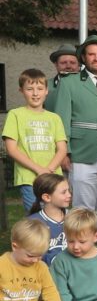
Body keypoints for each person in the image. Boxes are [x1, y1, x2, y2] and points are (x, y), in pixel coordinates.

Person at [53, 35, 97, 244]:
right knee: (82, 207)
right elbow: (62, 118)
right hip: (81, 153)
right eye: (92, 54)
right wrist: (65, 151)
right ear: (84, 57)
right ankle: (82, 246)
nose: (96, 58)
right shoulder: (70, 82)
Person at [2, 68, 68, 212]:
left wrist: (49, 170)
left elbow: (62, 149)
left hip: (54, 178)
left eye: (39, 88)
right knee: (36, 221)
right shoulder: (15, 115)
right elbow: (12, 149)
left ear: (46, 91)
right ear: (21, 91)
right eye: (30, 89)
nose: (35, 93)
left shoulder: (54, 118)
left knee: (60, 218)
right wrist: (38, 169)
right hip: (29, 179)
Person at [0, 219, 66, 301]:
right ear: (15, 246)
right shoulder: (2, 264)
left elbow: (50, 291)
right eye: (30, 256)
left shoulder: (40, 267)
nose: (35, 260)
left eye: (40, 256)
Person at [28, 173, 70, 265]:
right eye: (64, 192)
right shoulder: (33, 223)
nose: (69, 195)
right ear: (47, 197)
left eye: (68, 191)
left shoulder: (74, 217)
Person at [44, 43, 79, 111]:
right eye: (63, 63)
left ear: (79, 65)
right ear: (56, 64)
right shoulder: (45, 86)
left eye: (72, 63)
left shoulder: (88, 86)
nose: (68, 66)